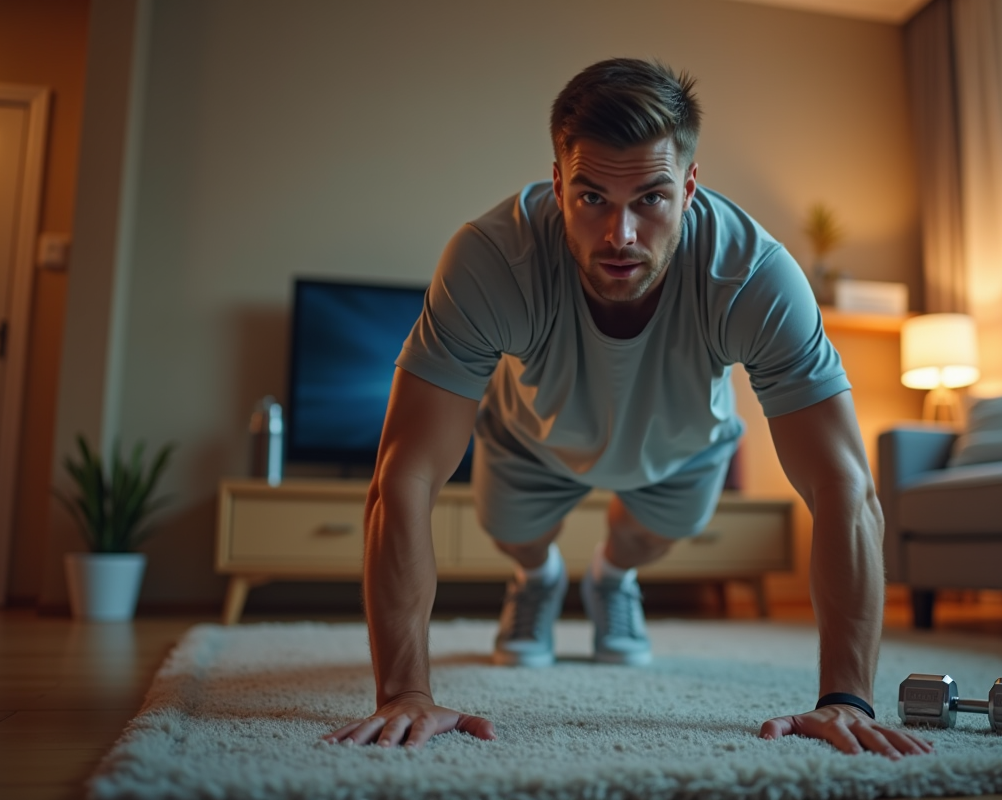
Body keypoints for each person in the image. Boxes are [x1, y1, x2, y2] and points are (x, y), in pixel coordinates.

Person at [325, 58, 933, 760]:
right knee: (514, 534)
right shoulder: (490, 261)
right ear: (558, 185)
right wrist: (404, 691)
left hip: (682, 452)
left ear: (690, 188)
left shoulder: (753, 276)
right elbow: (402, 477)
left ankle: (612, 578)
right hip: (530, 445)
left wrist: (848, 700)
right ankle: (538, 578)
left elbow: (844, 485)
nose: (621, 234)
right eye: (592, 198)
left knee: (648, 538)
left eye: (651, 198)